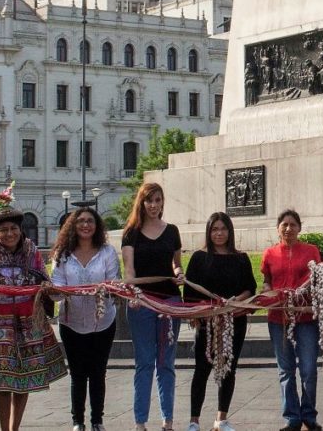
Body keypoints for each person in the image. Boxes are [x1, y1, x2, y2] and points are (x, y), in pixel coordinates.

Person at [0, 200, 68, 431]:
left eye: (13, 228)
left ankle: (15, 427)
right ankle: (4, 428)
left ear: (21, 229)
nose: (9, 234)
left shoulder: (31, 251)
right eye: (3, 230)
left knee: (24, 377)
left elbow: (43, 279)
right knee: (4, 380)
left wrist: (49, 288)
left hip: (27, 322)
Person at [184, 212, 257, 431]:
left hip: (234, 321)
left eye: (223, 228)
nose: (219, 233)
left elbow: (250, 288)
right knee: (202, 369)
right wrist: (197, 315)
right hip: (207, 322)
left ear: (230, 231)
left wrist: (236, 302)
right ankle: (194, 421)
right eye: (214, 229)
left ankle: (221, 418)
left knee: (229, 369)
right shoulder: (199, 257)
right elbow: (189, 292)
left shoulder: (241, 258)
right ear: (208, 231)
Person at [121, 182, 185, 431]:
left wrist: (179, 272)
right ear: (142, 202)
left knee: (166, 361)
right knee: (145, 361)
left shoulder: (172, 231)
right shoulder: (131, 233)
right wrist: (134, 294)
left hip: (169, 300)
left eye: (158, 200)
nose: (154, 205)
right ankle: (140, 422)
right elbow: (129, 270)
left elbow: (176, 265)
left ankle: (168, 420)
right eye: (149, 200)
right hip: (142, 302)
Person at [50, 206, 120, 431]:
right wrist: (61, 291)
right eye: (80, 221)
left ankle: (97, 420)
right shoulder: (62, 254)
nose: (86, 225)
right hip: (72, 322)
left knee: (98, 373)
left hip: (103, 322)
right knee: (78, 373)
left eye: (90, 221)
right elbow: (57, 285)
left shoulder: (107, 252)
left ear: (96, 225)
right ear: (73, 225)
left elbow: (113, 281)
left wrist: (109, 287)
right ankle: (77, 421)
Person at [262, 209, 323, 431]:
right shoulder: (269, 254)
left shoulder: (311, 251)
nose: (288, 229)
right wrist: (267, 293)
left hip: (306, 317)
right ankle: (292, 417)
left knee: (308, 369)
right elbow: (267, 282)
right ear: (278, 228)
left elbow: (318, 280)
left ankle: (308, 415)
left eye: (292, 224)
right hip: (279, 318)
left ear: (299, 228)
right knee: (285, 370)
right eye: (284, 225)